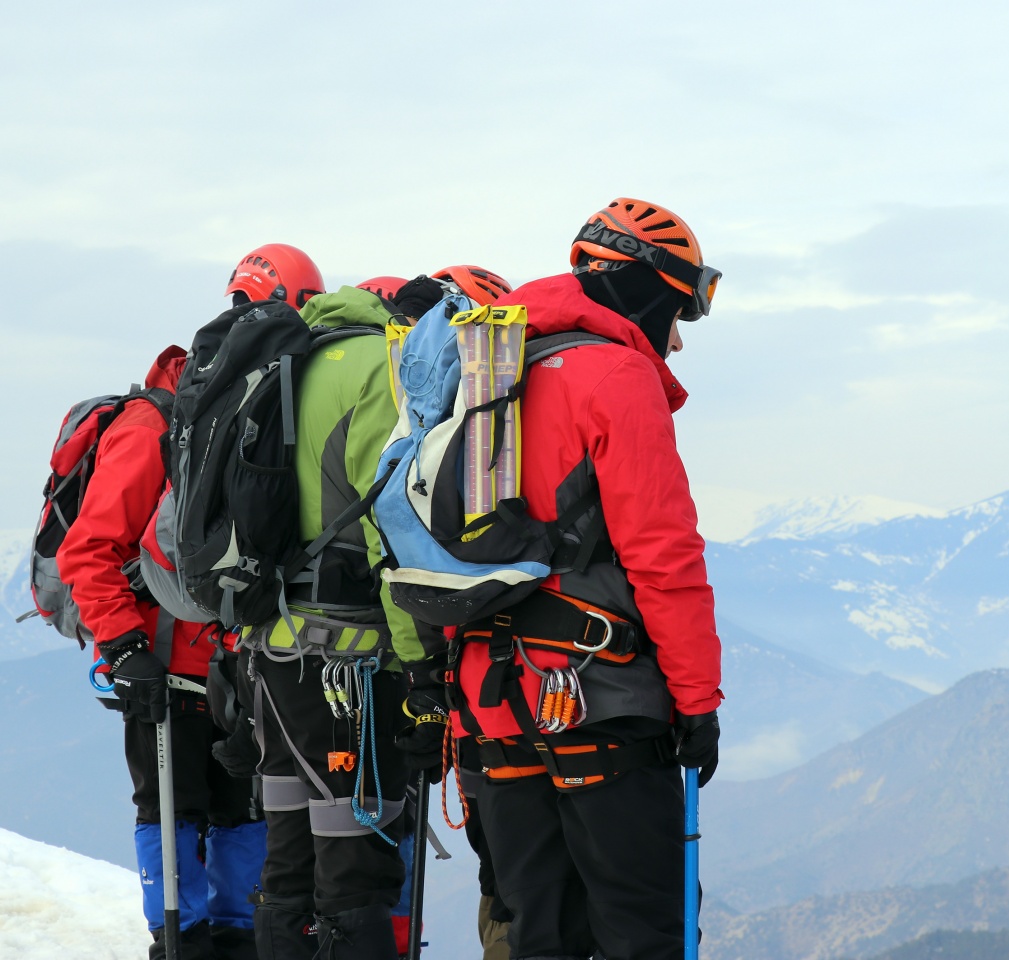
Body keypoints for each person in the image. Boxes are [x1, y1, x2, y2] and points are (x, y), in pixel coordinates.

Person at [448, 198, 725, 960]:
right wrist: (697, 701)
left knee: (541, 937)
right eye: (676, 312)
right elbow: (663, 555)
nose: (673, 338)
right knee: (644, 934)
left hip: (490, 704)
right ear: (646, 289)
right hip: (597, 699)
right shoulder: (616, 375)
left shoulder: (485, 361)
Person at [240, 280, 438, 960]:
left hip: (271, 653)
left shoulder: (286, 360)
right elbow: (391, 526)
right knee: (357, 870)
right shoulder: (382, 366)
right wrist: (421, 665)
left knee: (288, 864)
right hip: (349, 660)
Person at [56, 342, 268, 960]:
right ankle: (180, 944)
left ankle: (233, 939)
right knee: (172, 814)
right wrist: (125, 649)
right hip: (163, 670)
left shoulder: (234, 417)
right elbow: (87, 552)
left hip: (233, 669)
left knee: (240, 814)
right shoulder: (151, 427)